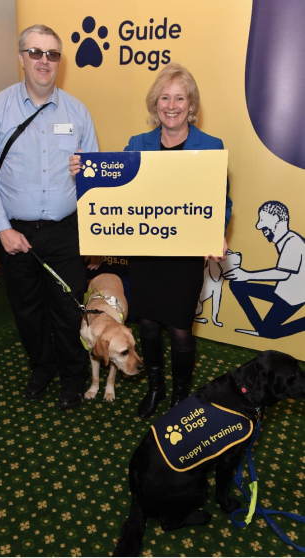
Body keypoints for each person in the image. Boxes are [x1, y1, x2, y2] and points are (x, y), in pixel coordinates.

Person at [70, 62, 232, 418]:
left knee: (180, 331)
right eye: (164, 97)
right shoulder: (136, 144)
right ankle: (156, 388)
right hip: (146, 253)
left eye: (179, 98)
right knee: (147, 325)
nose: (171, 105)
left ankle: (179, 397)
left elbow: (222, 201)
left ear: (191, 105)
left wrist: (216, 231)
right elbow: (117, 195)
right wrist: (85, 174)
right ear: (154, 103)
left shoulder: (211, 146)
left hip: (184, 256)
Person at [0, 24, 100, 410]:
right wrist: (3, 229)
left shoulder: (77, 111)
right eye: (36, 53)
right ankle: (41, 368)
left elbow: (96, 179)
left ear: (59, 61)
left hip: (65, 231)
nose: (45, 61)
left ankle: (74, 377)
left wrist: (85, 172)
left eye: (53, 54)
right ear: (22, 58)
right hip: (15, 233)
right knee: (27, 311)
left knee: (67, 308)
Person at [225, 201, 305, 338]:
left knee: (269, 333)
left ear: (279, 220)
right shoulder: (284, 241)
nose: (258, 226)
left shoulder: (293, 242)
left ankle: (266, 330)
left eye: (263, 220)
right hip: (282, 291)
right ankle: (260, 328)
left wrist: (247, 275)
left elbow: (283, 273)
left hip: (294, 296)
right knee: (237, 285)